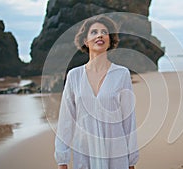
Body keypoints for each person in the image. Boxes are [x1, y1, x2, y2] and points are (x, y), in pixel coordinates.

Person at [54, 15, 139, 169]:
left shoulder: (122, 74)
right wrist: (62, 159)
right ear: (85, 41)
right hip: (85, 153)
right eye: (94, 32)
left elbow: (129, 120)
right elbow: (66, 120)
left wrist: (131, 160)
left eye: (104, 32)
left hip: (116, 153)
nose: (99, 35)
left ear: (110, 40)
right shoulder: (74, 76)